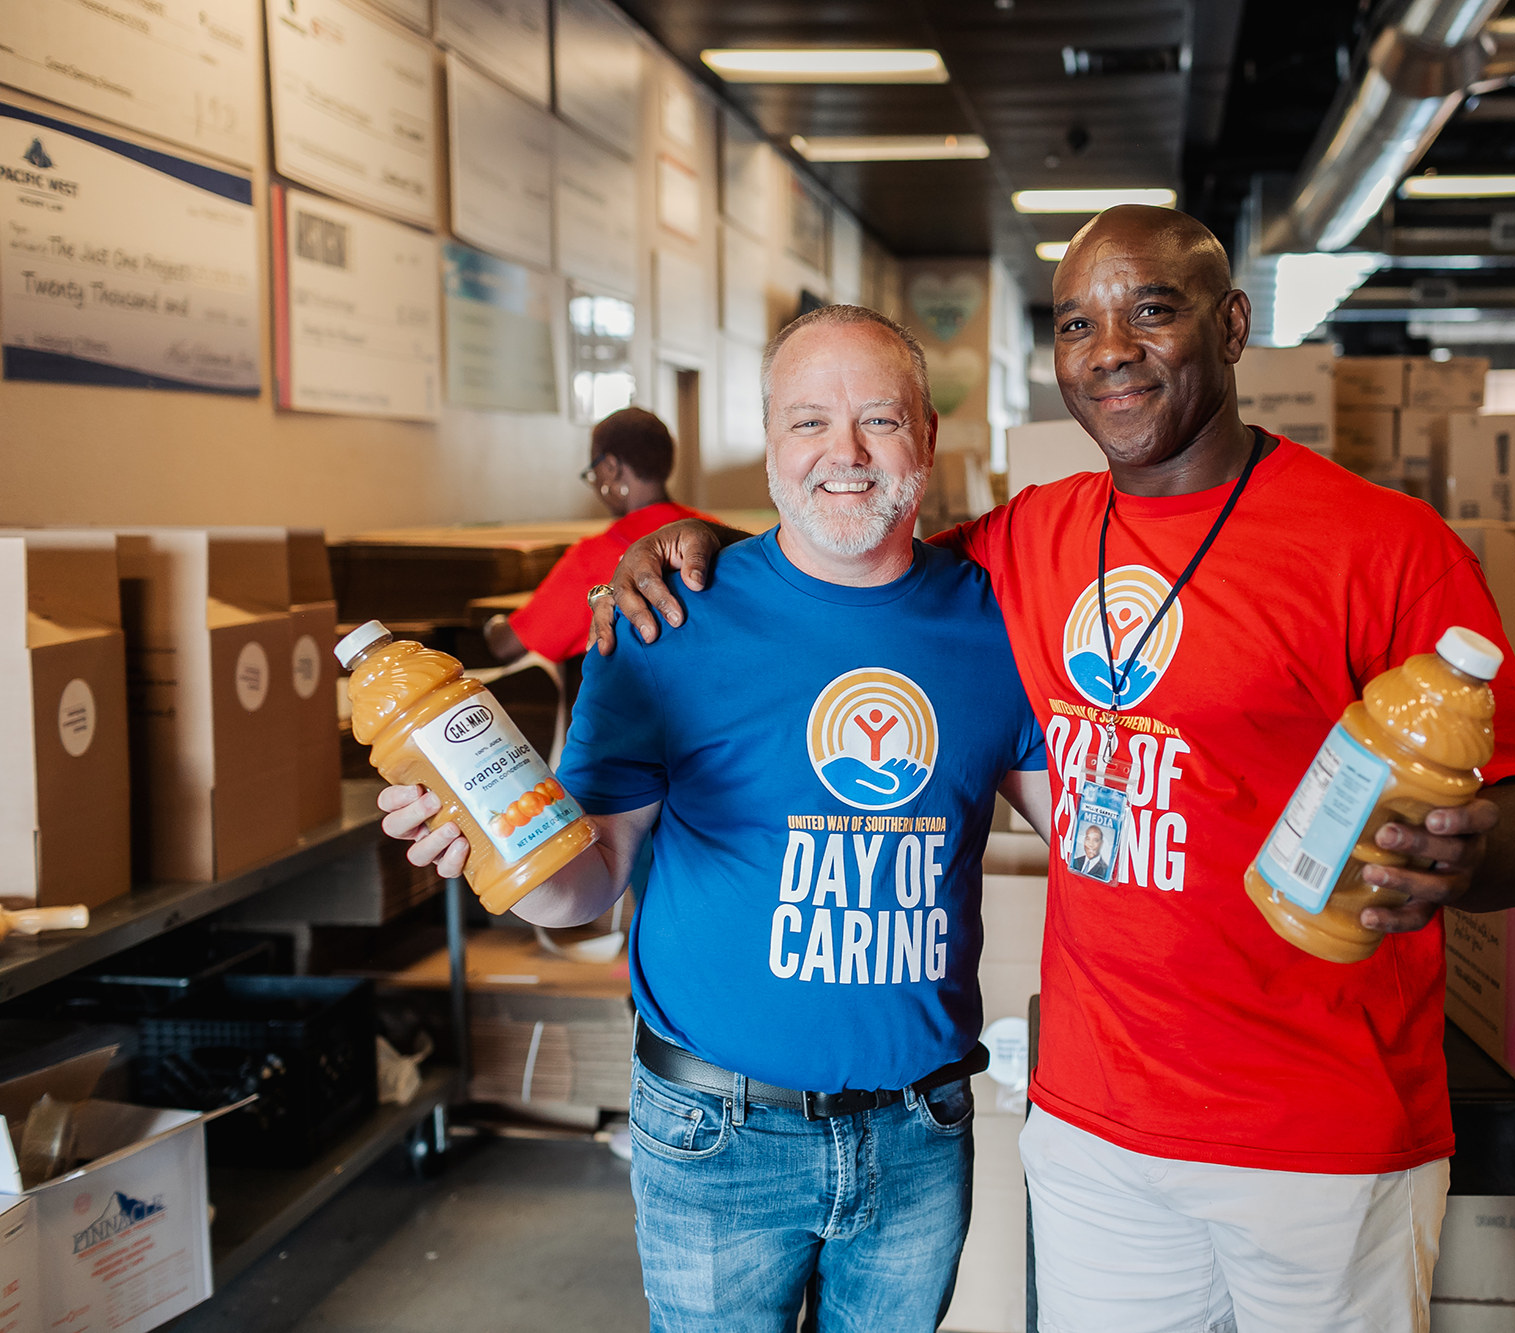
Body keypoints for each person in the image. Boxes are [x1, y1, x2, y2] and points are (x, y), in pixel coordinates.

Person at [594, 206, 1515, 1332]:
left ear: (1231, 324)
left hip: (1320, 1126)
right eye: (1074, 324)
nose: (1109, 348)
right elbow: (852, 552)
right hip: (1097, 1129)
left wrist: (1471, 853)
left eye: (1150, 309)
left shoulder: (1383, 546)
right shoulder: (1027, 538)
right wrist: (696, 550)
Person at [381, 306, 1051, 1333]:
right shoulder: (665, 617)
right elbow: (589, 877)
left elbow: (1098, 839)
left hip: (919, 1132)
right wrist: (486, 847)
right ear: (769, 441)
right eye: (808, 421)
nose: (845, 452)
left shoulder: (994, 622)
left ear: (926, 437)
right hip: (716, 1134)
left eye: (879, 419)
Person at [483, 406, 715, 666]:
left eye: (593, 472)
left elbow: (507, 645)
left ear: (611, 467)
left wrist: (493, 624)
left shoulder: (594, 556)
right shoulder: (714, 533)